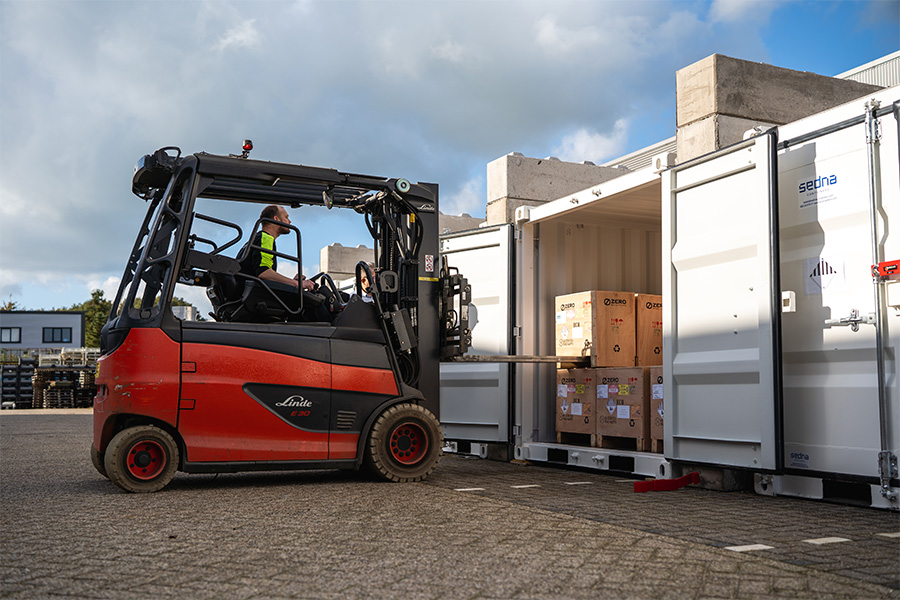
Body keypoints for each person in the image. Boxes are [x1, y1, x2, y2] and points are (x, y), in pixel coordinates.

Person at [239, 205, 314, 292]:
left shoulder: (255, 239)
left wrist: (291, 282)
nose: (289, 221)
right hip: (250, 294)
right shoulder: (266, 238)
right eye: (286, 217)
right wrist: (297, 284)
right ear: (276, 219)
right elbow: (263, 273)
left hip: (246, 291)